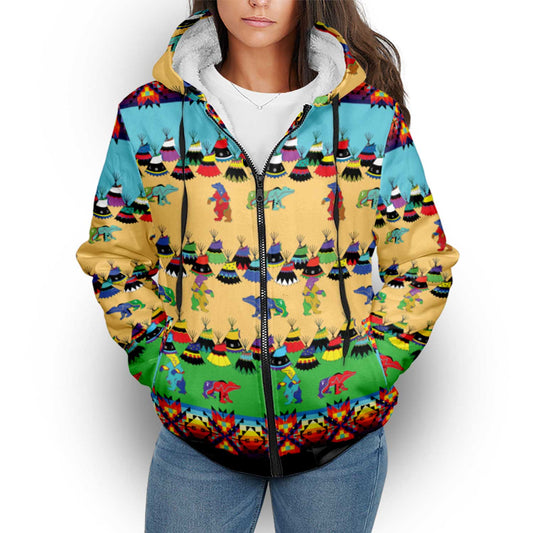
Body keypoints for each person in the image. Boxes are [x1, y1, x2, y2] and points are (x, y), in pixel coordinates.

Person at [75, 0, 460, 531]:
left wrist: (371, 366)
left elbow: (421, 260)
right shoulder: (147, 116)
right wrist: (162, 361)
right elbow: (116, 255)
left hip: (338, 441)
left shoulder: (370, 118)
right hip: (199, 439)